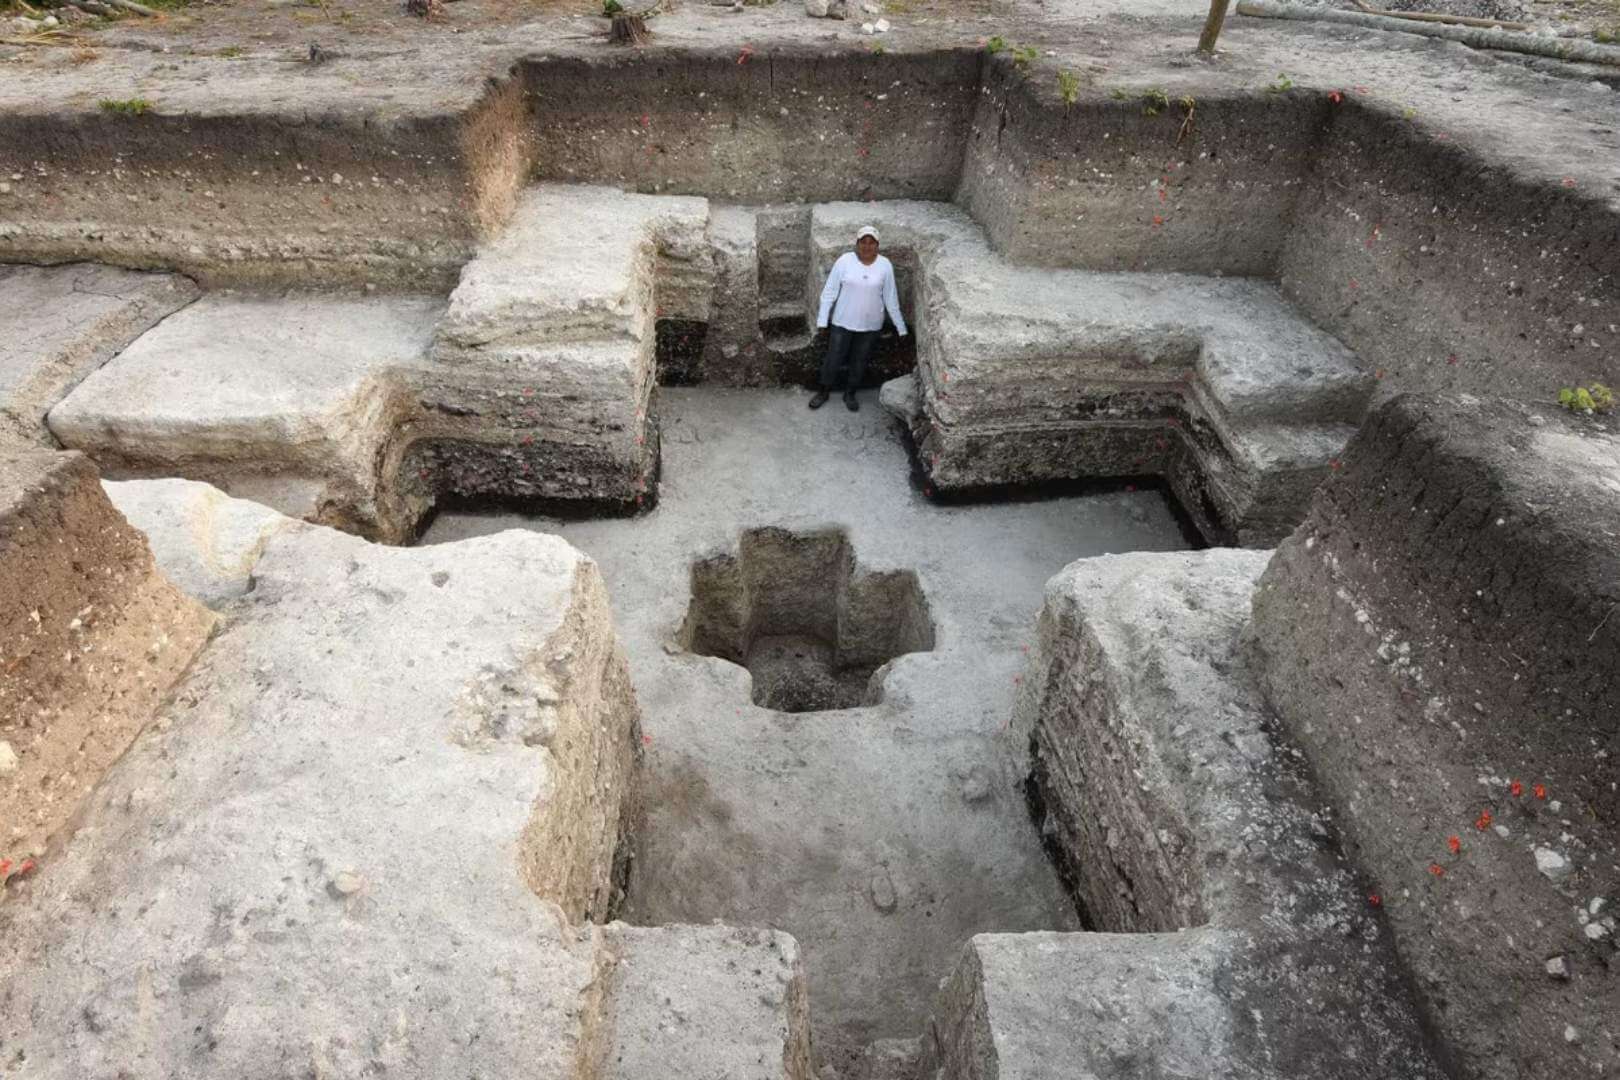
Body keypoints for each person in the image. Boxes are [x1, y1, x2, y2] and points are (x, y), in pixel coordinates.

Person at [810, 225, 907, 412]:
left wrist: (901, 327)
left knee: (860, 360)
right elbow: (829, 292)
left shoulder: (885, 265)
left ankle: (850, 393)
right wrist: (823, 321)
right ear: (857, 243)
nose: (867, 246)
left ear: (877, 245)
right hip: (842, 322)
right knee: (833, 358)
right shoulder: (845, 261)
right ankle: (823, 391)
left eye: (872, 243)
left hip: (870, 326)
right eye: (863, 242)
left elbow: (890, 298)